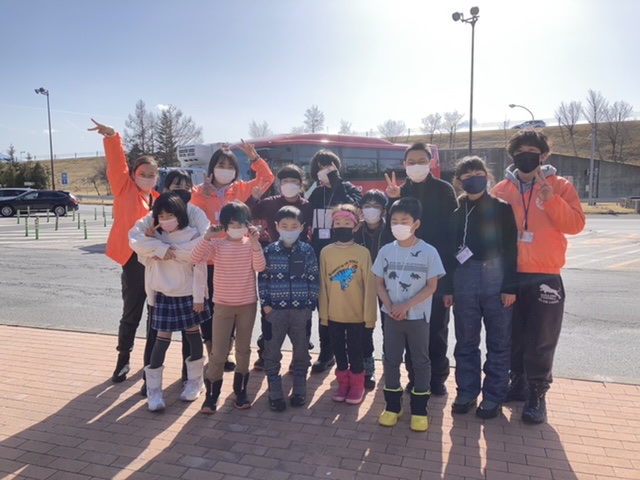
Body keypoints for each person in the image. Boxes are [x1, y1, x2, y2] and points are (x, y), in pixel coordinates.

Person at [491, 129, 585, 424]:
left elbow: (576, 225)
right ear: (512, 156)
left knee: (542, 337)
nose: (525, 156)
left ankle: (537, 393)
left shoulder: (559, 185)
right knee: (512, 334)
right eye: (520, 151)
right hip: (510, 274)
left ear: (543, 155)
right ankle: (517, 382)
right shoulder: (502, 189)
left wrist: (551, 200)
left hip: (545, 274)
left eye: (532, 151)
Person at [190, 143, 275, 371]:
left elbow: (267, 179)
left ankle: (226, 351)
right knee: (207, 308)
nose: (225, 170)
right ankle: (213, 351)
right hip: (209, 258)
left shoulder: (240, 189)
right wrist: (203, 196)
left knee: (234, 306)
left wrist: (255, 158)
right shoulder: (198, 192)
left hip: (236, 258)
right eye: (221, 165)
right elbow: (192, 216)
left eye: (230, 166)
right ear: (212, 167)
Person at [445, 157, 518, 419]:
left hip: (496, 278)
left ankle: (493, 396)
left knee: (499, 342)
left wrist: (510, 287)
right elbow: (449, 253)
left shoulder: (501, 208)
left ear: (487, 176)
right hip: (464, 279)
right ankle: (466, 392)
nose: (473, 178)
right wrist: (448, 288)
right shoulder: (456, 213)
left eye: (478, 173)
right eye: (467, 175)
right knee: (466, 340)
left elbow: (511, 248)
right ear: (459, 181)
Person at [88, 119, 160, 383]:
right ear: (134, 174)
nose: (148, 178)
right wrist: (112, 137)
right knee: (132, 312)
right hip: (132, 261)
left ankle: (151, 359)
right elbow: (117, 165)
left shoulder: (158, 199)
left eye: (152, 174)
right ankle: (123, 359)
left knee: (155, 314)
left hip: (156, 262)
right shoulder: (124, 187)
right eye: (143, 173)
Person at [129, 170, 210, 396]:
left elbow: (202, 245)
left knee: (191, 336)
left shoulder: (194, 213)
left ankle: (191, 380)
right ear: (165, 189)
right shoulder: (156, 215)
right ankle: (150, 384)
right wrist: (158, 247)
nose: (181, 191)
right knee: (157, 336)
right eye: (176, 186)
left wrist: (168, 251)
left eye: (186, 186)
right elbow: (136, 241)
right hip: (162, 291)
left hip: (187, 288)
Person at [386, 142, 457, 396]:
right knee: (410, 330)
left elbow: (452, 238)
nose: (416, 166)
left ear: (431, 163)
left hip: (436, 273)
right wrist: (392, 200)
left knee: (437, 329)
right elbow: (391, 233)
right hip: (407, 274)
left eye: (422, 161)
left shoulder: (444, 190)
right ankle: (415, 376)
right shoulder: (400, 192)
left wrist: (448, 285)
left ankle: (437, 378)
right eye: (411, 162)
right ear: (404, 165)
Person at [373, 197, 445, 432]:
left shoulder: (429, 252)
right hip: (391, 317)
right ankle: (393, 407)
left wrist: (405, 306)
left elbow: (431, 286)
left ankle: (419, 409)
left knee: (420, 361)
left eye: (404, 221)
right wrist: (391, 306)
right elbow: (379, 283)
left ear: (416, 224)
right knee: (391, 360)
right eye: (394, 221)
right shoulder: (385, 250)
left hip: (418, 318)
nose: (398, 225)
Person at [189, 201, 266, 414]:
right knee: (218, 352)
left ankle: (240, 392)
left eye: (241, 223)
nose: (236, 227)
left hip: (247, 305)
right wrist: (207, 237)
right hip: (222, 305)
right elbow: (195, 258)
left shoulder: (250, 244)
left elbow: (260, 267)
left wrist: (255, 243)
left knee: (243, 350)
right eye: (232, 223)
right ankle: (212, 395)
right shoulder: (217, 245)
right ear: (224, 225)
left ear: (247, 224)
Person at [247, 164, 314, 370]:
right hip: (274, 256)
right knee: (269, 312)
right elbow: (247, 214)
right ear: (279, 184)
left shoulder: (307, 206)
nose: (289, 184)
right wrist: (253, 199)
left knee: (300, 314)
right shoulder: (269, 203)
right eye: (285, 181)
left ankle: (300, 356)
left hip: (299, 257)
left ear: (301, 184)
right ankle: (265, 353)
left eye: (294, 181)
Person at [258, 206, 319, 411]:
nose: (289, 230)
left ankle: (300, 388)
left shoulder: (307, 250)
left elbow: (313, 278)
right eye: (284, 226)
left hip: (301, 311)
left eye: (294, 226)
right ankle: (274, 390)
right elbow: (263, 279)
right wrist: (266, 305)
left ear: (302, 227)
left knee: (301, 350)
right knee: (272, 351)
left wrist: (310, 304)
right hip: (275, 311)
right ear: (276, 227)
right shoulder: (270, 251)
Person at [307, 150, 363, 374]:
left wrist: (337, 184)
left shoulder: (349, 189)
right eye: (321, 167)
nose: (325, 170)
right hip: (321, 256)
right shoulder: (316, 193)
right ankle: (327, 352)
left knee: (347, 306)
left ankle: (350, 355)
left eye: (329, 165)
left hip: (345, 256)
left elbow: (353, 209)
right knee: (325, 308)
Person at [318, 204, 376, 405]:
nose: (342, 226)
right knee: (338, 351)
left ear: (356, 227)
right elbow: (323, 285)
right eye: (337, 223)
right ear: (332, 226)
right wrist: (324, 315)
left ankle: (357, 385)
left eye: (347, 223)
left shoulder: (363, 253)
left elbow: (369, 287)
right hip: (334, 314)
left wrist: (369, 317)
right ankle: (342, 383)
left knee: (356, 351)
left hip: (357, 316)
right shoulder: (326, 252)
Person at [354, 189, 393, 389]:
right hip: (362, 285)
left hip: (388, 285)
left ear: (384, 211)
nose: (371, 210)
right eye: (367, 206)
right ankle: (367, 368)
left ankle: (390, 364)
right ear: (361, 209)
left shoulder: (391, 230)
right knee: (364, 327)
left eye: (376, 206)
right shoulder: (355, 230)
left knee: (389, 325)